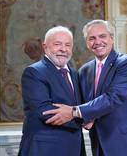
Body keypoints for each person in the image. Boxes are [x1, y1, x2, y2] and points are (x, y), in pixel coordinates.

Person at [43, 20, 127, 156]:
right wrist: (84, 119)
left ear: (112, 38)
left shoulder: (126, 63)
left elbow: (114, 97)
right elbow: (82, 103)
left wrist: (73, 112)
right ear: (87, 43)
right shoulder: (84, 70)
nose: (97, 42)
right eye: (92, 38)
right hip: (100, 144)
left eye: (102, 36)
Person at [18, 26, 85, 156]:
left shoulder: (74, 74)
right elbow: (47, 113)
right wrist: (83, 116)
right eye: (57, 44)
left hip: (74, 149)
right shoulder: (34, 72)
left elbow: (79, 105)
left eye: (68, 45)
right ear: (45, 47)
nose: (63, 49)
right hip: (44, 149)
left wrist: (79, 112)